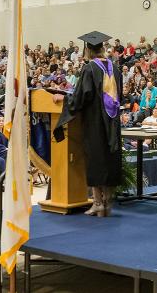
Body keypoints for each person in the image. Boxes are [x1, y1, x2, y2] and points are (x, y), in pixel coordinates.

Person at [53, 31, 124, 217]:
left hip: (95, 123)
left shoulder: (89, 68)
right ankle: (107, 203)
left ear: (87, 49)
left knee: (95, 160)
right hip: (112, 122)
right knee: (108, 159)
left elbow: (81, 97)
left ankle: (98, 203)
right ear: (102, 48)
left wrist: (65, 99)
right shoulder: (114, 68)